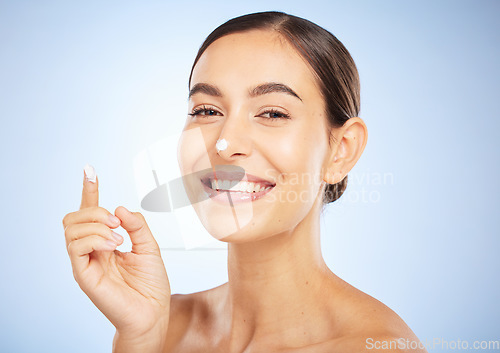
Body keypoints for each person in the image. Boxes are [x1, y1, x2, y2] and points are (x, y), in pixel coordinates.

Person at [63, 11, 426, 353]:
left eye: (272, 113)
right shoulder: (160, 325)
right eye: (207, 111)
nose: (225, 144)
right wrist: (140, 340)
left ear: (341, 151)